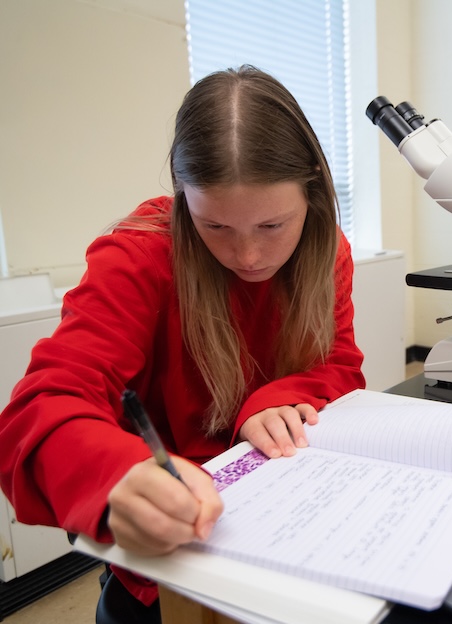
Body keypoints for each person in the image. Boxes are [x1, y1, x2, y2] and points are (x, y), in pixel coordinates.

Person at [0, 66, 365, 623]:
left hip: (288, 526)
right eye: (214, 226)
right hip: (168, 558)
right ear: (182, 195)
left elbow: (339, 363)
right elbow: (40, 408)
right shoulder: (140, 255)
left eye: (271, 226)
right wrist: (116, 473)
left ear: (312, 193)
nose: (247, 256)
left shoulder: (326, 251)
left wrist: (273, 401)